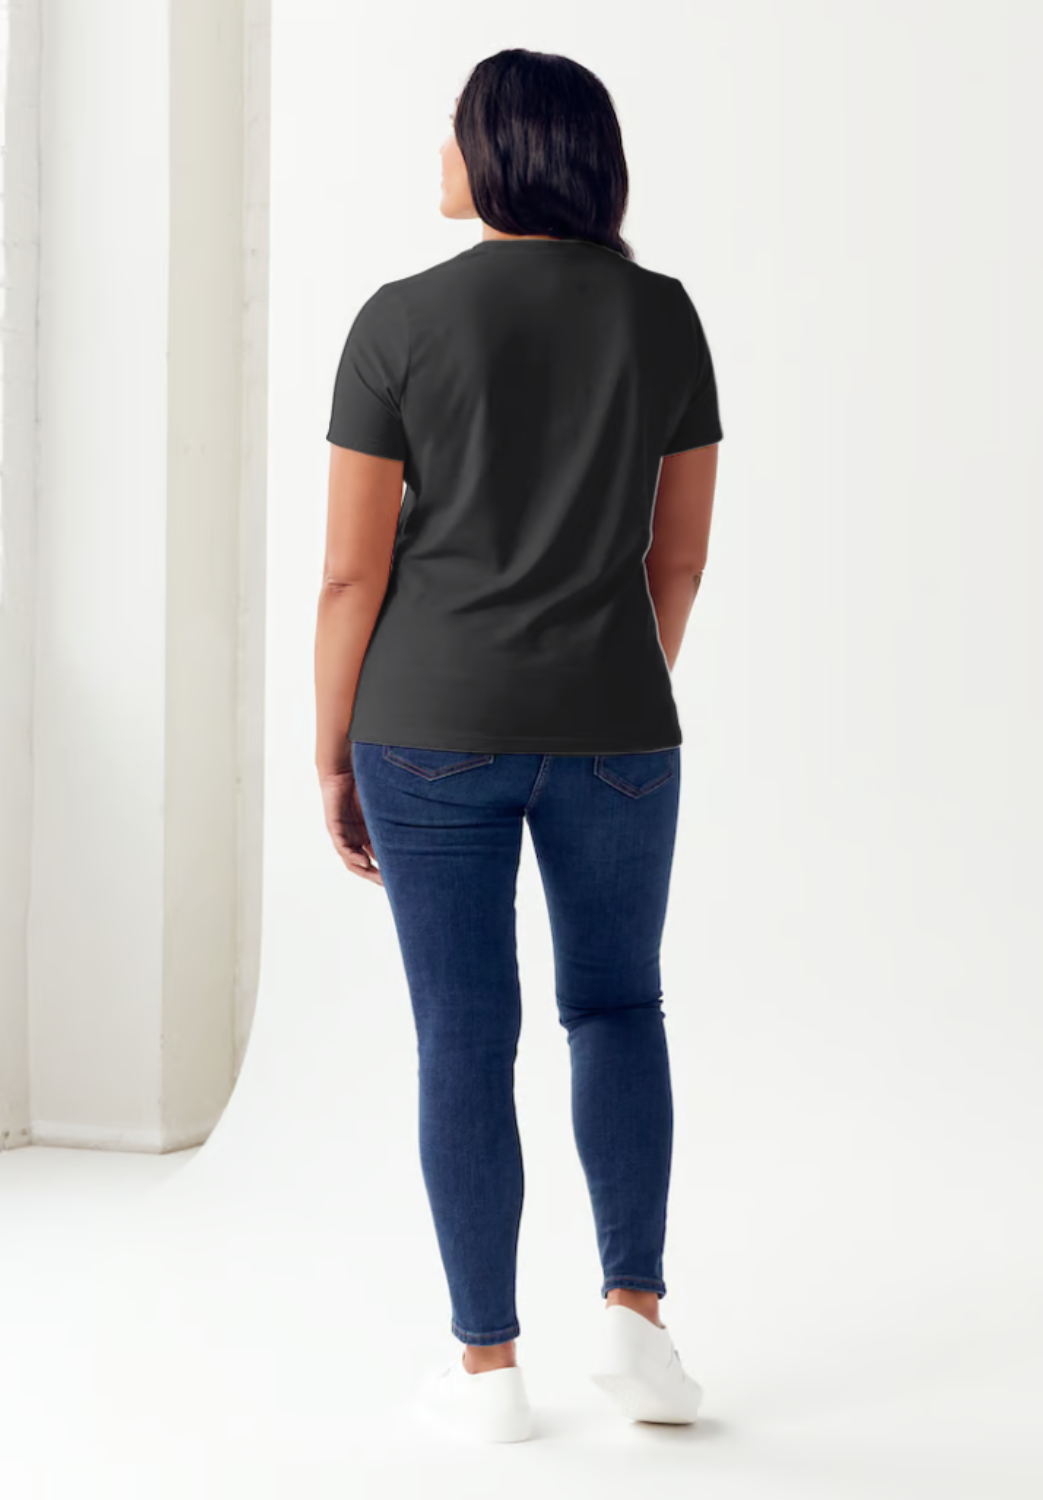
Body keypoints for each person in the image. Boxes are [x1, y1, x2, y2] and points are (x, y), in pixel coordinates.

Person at [315, 48, 722, 1445]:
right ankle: (636, 1323)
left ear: (502, 149)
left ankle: (486, 1371)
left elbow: (351, 577)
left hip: (425, 728)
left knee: (463, 1035)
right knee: (617, 1009)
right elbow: (679, 560)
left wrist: (332, 753)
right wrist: (609, 686)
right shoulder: (664, 316)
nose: (440, 152)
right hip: (619, 726)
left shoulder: (398, 321)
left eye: (454, 129)